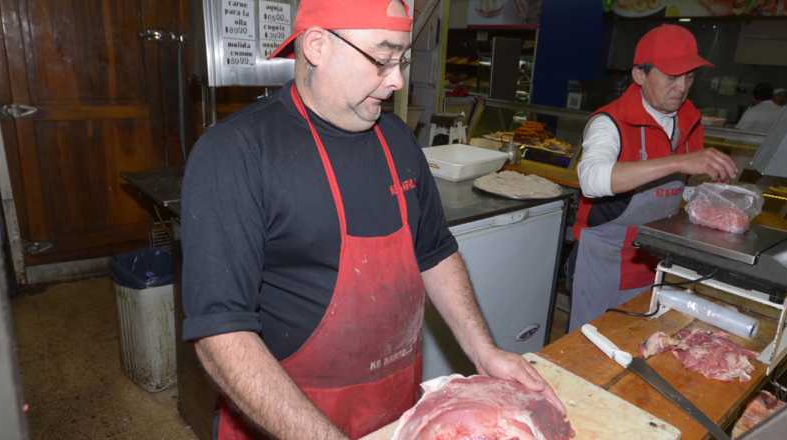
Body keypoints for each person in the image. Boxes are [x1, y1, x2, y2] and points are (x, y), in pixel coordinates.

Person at [180, 1, 562, 439]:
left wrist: (484, 351)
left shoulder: (396, 139)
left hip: (393, 414)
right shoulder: (236, 153)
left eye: (400, 59)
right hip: (284, 420)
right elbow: (220, 336)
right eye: (382, 59)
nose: (397, 79)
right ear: (318, 45)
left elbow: (435, 252)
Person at [569, 25, 738, 331]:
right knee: (590, 349)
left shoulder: (689, 120)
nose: (682, 87)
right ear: (640, 76)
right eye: (672, 76)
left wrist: (712, 198)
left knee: (642, 341)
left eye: (689, 76)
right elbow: (591, 180)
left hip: (658, 257)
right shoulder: (610, 122)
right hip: (605, 259)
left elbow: (683, 189)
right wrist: (680, 161)